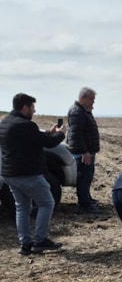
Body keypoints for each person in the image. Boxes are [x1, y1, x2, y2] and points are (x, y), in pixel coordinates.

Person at [0, 93, 68, 254]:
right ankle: (40, 240)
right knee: (47, 203)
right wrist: (61, 134)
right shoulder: (26, 125)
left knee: (22, 207)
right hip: (27, 173)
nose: (34, 110)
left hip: (9, 174)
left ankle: (25, 244)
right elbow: (49, 144)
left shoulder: (5, 123)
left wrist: (48, 132)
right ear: (25, 107)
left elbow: (31, 138)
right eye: (32, 107)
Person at [66, 86, 100, 212]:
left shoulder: (83, 111)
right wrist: (84, 151)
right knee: (83, 177)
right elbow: (76, 134)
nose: (93, 102)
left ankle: (87, 198)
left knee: (88, 176)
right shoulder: (77, 112)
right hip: (82, 152)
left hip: (87, 151)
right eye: (91, 99)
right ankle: (84, 204)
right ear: (83, 98)